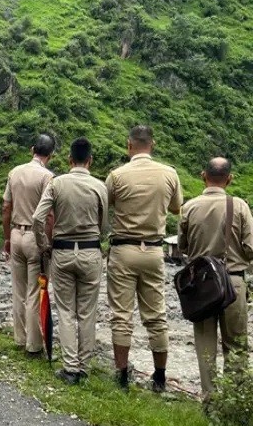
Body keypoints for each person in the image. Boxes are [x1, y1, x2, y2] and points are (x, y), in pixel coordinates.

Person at [106, 125, 182, 392]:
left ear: (129, 145)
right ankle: (159, 377)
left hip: (123, 250)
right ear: (153, 143)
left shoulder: (117, 175)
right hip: (153, 250)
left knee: (121, 315)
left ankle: (122, 376)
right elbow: (175, 207)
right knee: (156, 315)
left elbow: (110, 204)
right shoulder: (169, 174)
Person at [32, 137, 108, 384]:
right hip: (90, 252)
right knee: (87, 312)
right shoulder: (100, 187)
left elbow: (37, 219)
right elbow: (104, 226)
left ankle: (70, 367)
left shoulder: (57, 183)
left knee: (66, 311)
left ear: (69, 159)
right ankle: (84, 367)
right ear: (90, 160)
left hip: (62, 252)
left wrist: (45, 245)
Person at [178, 158, 253, 399]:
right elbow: (251, 248)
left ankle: (210, 400)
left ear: (203, 176)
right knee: (236, 346)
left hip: (201, 285)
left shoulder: (189, 207)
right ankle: (235, 400)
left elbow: (183, 246)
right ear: (229, 179)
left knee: (205, 346)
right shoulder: (239, 205)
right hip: (233, 281)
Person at [1, 134, 55, 358]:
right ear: (50, 155)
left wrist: (6, 237)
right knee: (34, 291)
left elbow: (5, 207)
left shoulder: (15, 172)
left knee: (19, 290)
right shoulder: (48, 177)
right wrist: (47, 243)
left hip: (15, 232)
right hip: (35, 237)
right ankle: (34, 345)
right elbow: (49, 216)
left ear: (32, 149)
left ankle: (20, 338)